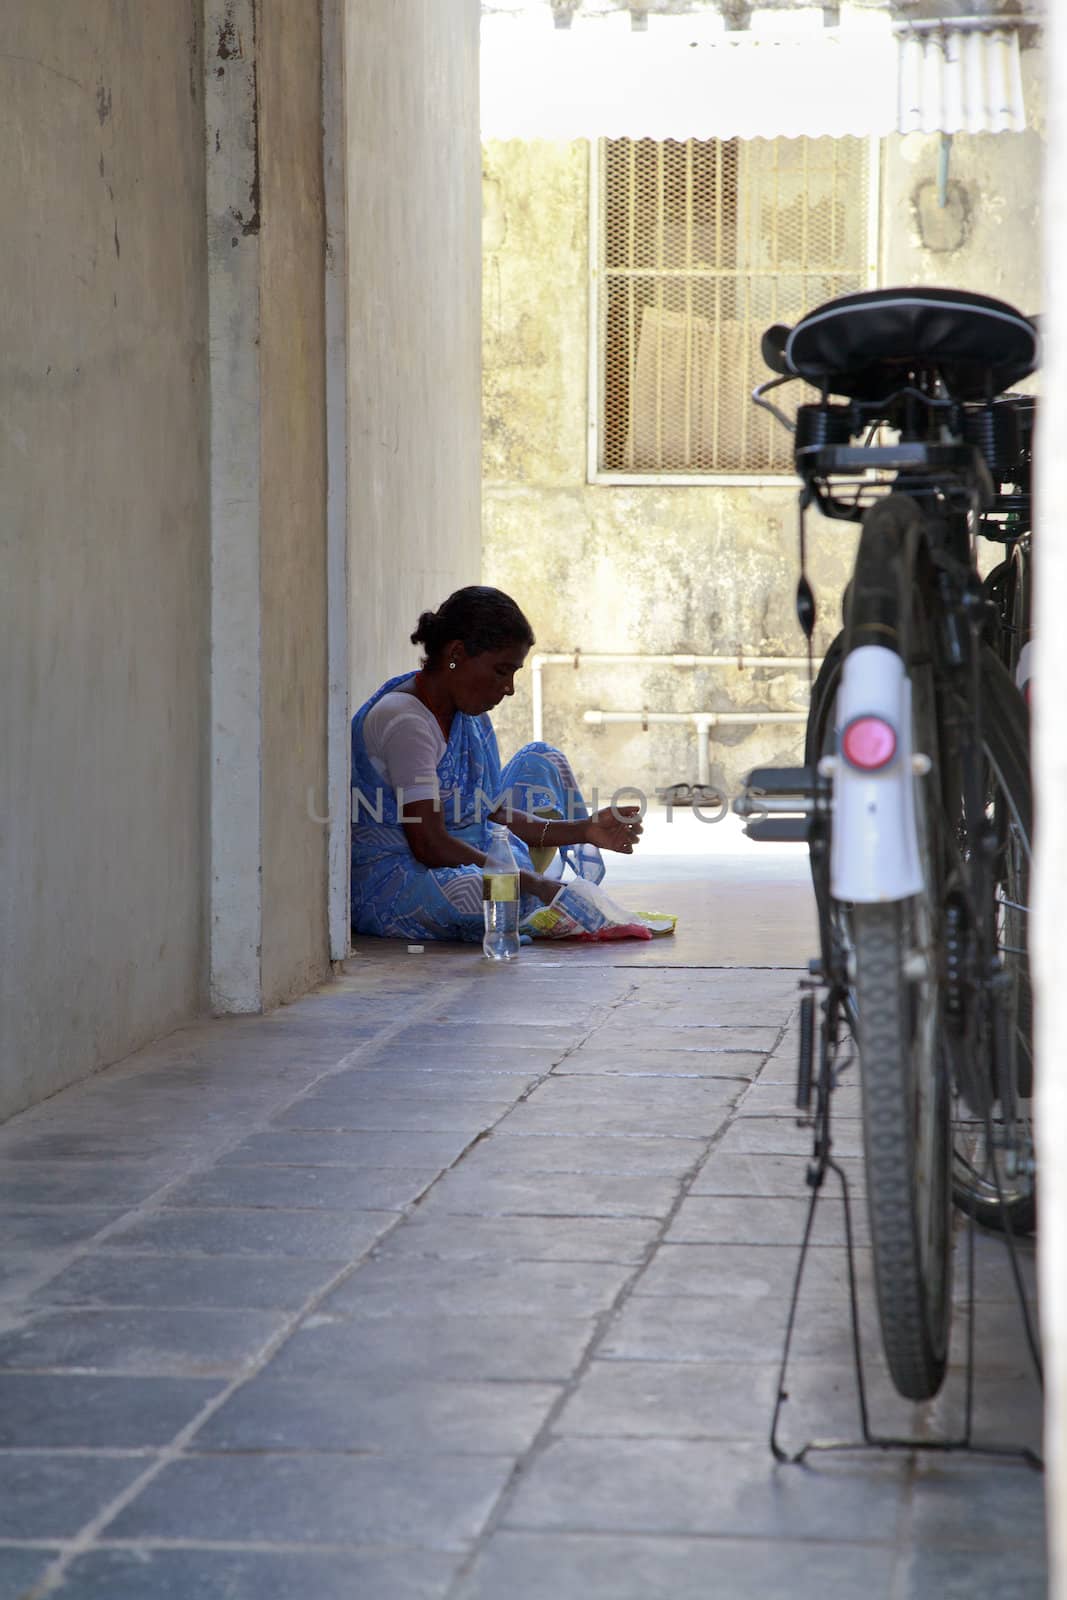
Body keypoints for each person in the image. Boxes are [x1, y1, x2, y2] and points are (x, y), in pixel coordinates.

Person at [350, 585, 642, 941]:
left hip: (464, 848)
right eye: (502, 671)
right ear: (456, 654)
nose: (509, 688)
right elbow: (429, 845)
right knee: (480, 893)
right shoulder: (406, 722)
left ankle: (528, 890)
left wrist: (584, 829)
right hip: (398, 874)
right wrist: (532, 884)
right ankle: (531, 892)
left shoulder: (466, 714)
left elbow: (494, 814)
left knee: (542, 759)